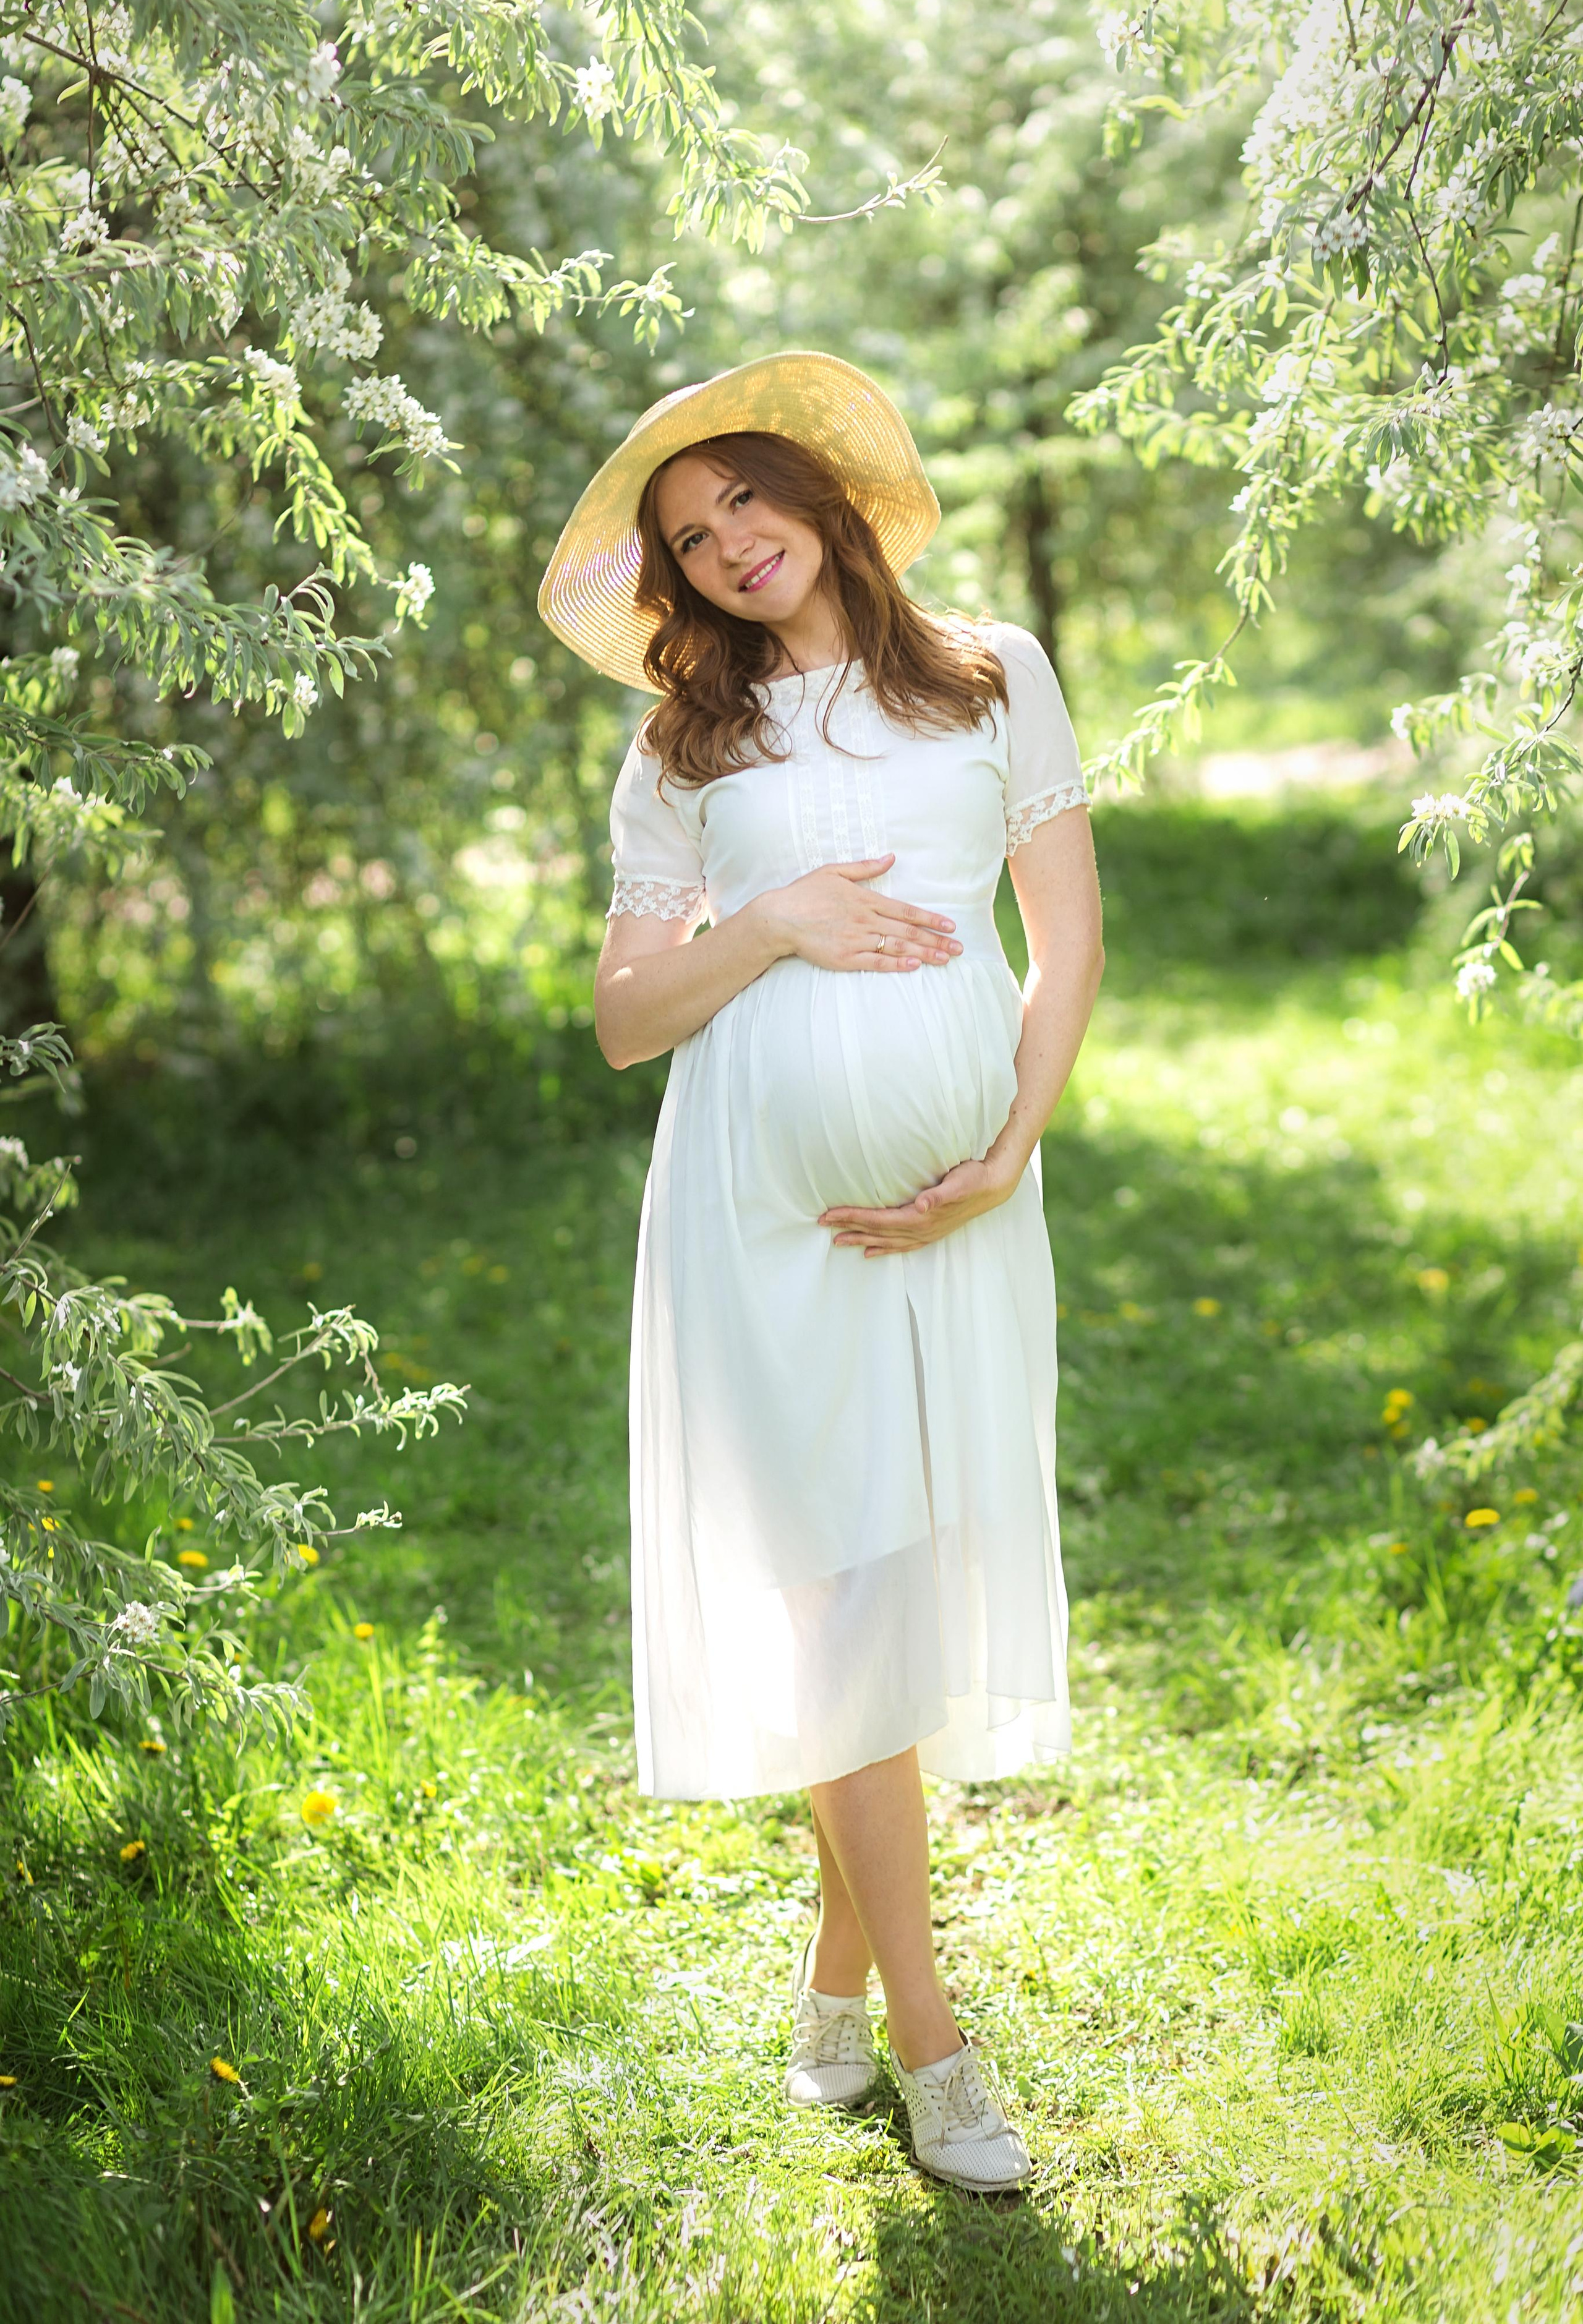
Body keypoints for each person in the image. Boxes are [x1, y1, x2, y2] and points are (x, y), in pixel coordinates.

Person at [539, 351, 1104, 2191]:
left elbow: (1069, 941)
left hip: (965, 1211)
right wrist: (773, 921)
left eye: (745, 501)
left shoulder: (993, 673)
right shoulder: (683, 746)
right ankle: (938, 2059)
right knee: (847, 1606)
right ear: (678, 582)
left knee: (903, 1602)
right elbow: (629, 1018)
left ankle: (834, 1983)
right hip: (760, 1226)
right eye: (692, 540)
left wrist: (1005, 1156)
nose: (729, 546)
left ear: (822, 497)